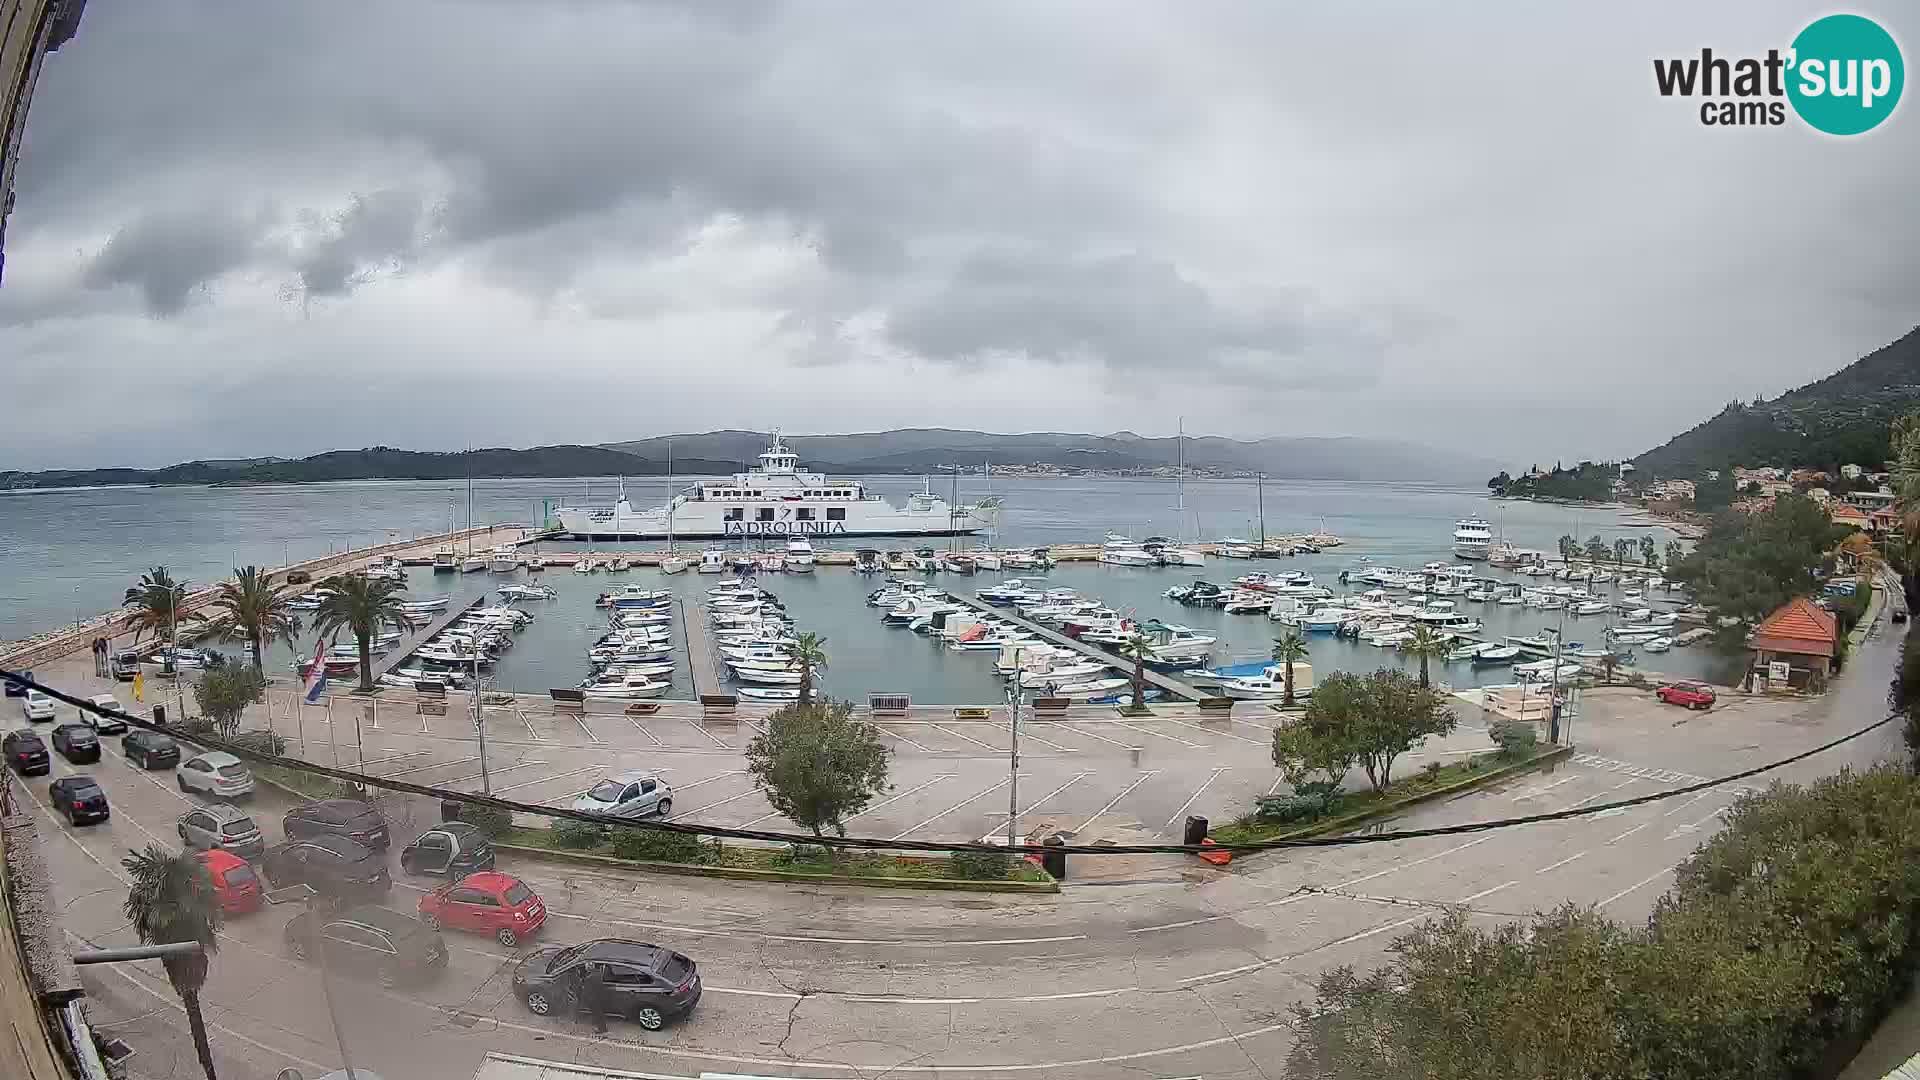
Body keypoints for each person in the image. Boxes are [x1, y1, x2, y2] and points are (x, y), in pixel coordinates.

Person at [579, 963, 609, 1034]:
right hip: (599, 997)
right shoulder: (598, 974)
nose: (586, 969)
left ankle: (602, 1029)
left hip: (593, 999)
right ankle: (602, 1027)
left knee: (597, 1014)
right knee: (599, 1013)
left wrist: (584, 998)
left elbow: (586, 991)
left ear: (589, 968)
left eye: (586, 967)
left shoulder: (589, 978)